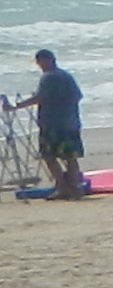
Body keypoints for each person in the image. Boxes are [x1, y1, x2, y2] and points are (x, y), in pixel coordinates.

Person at [12, 51, 84, 198]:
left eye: (40, 62)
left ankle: (63, 187)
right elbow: (78, 96)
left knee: (49, 156)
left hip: (53, 124)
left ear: (46, 61)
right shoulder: (66, 75)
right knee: (70, 157)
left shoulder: (48, 77)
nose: (39, 65)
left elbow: (39, 98)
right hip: (71, 122)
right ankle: (74, 187)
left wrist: (16, 106)